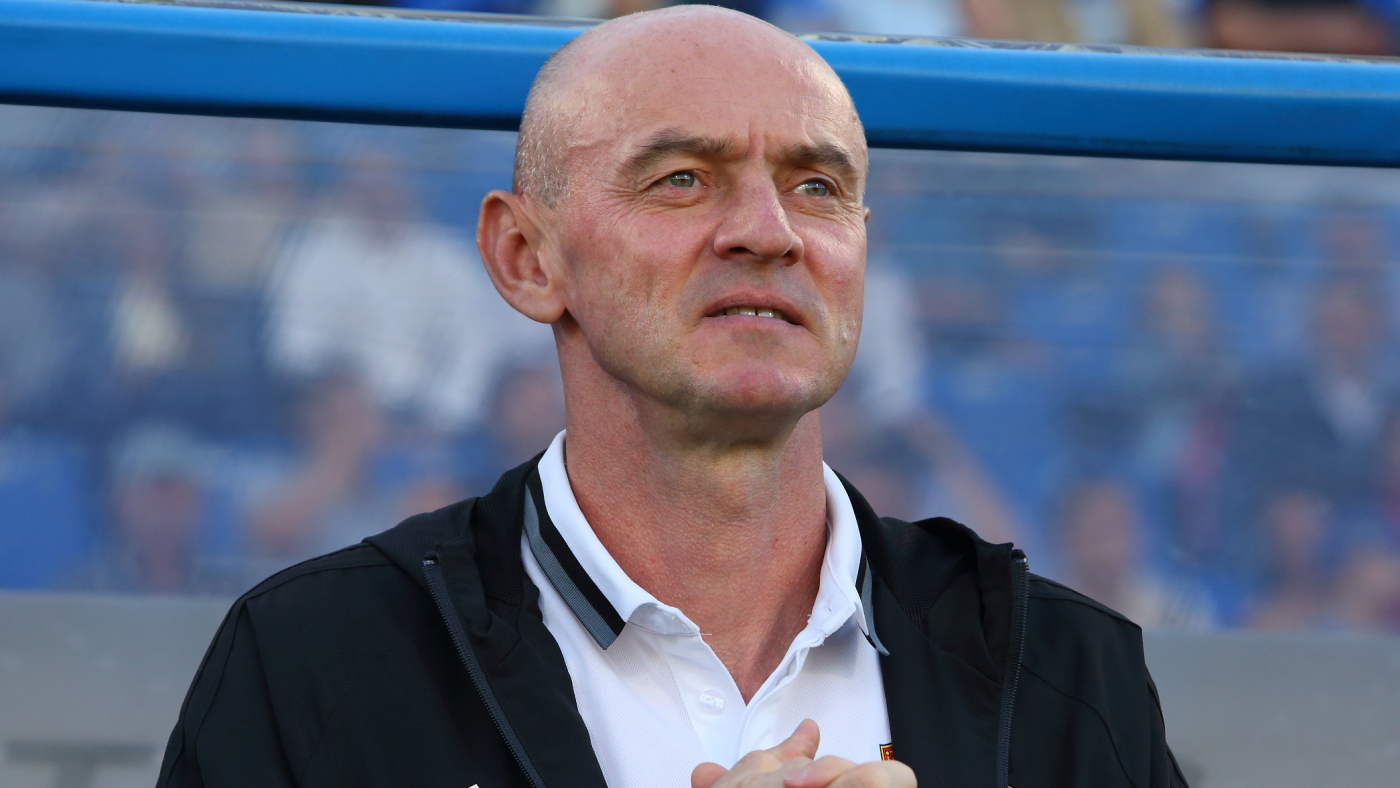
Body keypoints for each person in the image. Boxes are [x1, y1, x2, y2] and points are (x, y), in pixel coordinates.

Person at [158, 7, 1187, 788]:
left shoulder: (1065, 671)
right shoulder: (315, 665)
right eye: (682, 178)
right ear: (525, 258)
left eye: (817, 186)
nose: (768, 231)